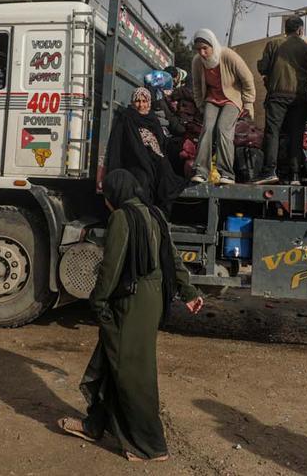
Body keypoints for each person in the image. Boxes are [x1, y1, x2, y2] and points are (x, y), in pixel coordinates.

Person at [58, 169, 203, 462]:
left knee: (132, 372)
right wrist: (188, 292)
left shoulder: (122, 218)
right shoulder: (155, 214)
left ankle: (150, 445)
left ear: (114, 195)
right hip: (152, 299)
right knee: (114, 360)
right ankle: (93, 425)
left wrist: (98, 302)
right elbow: (172, 258)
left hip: (131, 300)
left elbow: (111, 267)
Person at [189, 29, 255, 185]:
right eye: (199, 50)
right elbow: (197, 86)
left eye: (205, 48)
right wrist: (200, 105)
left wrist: (248, 102)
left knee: (223, 128)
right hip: (212, 99)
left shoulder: (227, 55)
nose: (202, 53)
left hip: (232, 98)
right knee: (207, 128)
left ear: (212, 45)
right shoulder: (197, 62)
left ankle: (226, 173)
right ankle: (201, 171)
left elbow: (247, 79)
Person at [254, 16, 307, 184]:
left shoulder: (273, 44)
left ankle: (270, 171)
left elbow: (263, 67)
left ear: (285, 29)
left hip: (277, 95)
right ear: (300, 30)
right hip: (300, 97)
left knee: (273, 133)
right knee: (296, 135)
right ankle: (295, 175)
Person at [106, 88, 188, 210]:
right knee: (143, 179)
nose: (141, 105)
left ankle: (160, 214)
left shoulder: (153, 119)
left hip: (155, 160)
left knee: (165, 175)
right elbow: (117, 146)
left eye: (144, 101)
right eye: (138, 101)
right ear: (133, 102)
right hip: (135, 162)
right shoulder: (126, 118)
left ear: (149, 102)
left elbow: (161, 144)